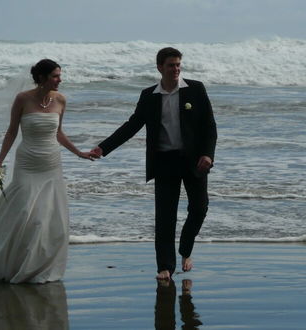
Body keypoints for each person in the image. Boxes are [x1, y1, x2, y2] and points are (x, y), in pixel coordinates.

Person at [0, 59, 96, 283]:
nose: (60, 80)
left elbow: (59, 133)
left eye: (59, 75)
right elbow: (11, 132)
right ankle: (5, 261)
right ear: (42, 78)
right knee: (24, 211)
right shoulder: (23, 98)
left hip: (51, 162)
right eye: (55, 76)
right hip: (27, 162)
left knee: (45, 216)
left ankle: (35, 265)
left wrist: (79, 153)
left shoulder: (61, 100)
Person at [91, 47, 217, 280]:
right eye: (171, 65)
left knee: (199, 208)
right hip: (164, 161)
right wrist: (103, 147)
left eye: (178, 64)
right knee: (165, 217)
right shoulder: (149, 96)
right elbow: (132, 126)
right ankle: (165, 267)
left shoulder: (196, 89)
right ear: (160, 67)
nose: (176, 69)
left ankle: (185, 249)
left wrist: (208, 155)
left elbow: (209, 126)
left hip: (193, 161)